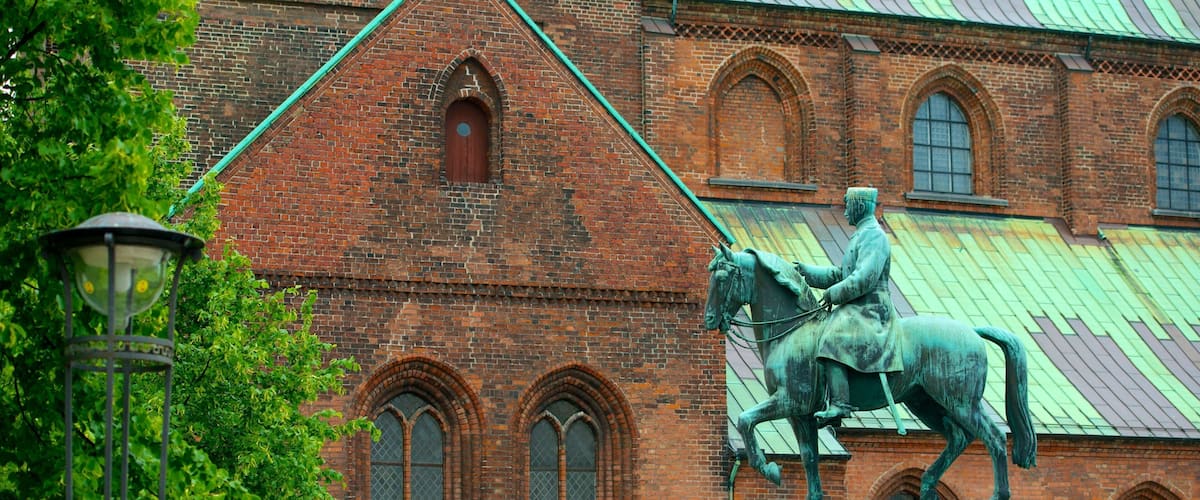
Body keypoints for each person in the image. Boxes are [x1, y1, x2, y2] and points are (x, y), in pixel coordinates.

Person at [795, 187, 902, 423]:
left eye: (848, 205)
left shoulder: (874, 235)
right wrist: (806, 273)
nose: (844, 212)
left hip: (871, 308)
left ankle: (840, 404)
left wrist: (835, 293)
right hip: (857, 305)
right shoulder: (861, 235)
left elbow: (864, 278)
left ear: (860, 206)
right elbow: (842, 274)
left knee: (833, 337)